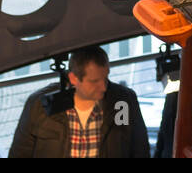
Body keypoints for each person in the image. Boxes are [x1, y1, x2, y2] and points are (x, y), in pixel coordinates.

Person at [9, 45, 150, 158]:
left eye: (105, 78)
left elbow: (139, 149)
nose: (104, 87)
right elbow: (20, 153)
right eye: (94, 81)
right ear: (74, 79)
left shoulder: (123, 101)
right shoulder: (39, 105)